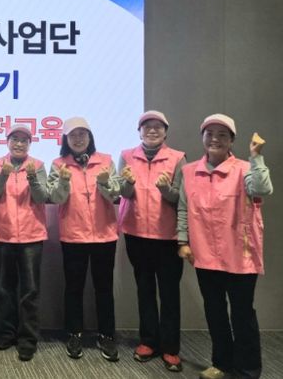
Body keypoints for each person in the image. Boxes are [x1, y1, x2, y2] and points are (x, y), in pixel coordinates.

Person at [177, 114, 272, 379]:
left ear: (231, 140)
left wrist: (256, 157)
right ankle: (222, 363)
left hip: (240, 255)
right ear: (202, 137)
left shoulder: (245, 168)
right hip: (205, 254)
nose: (215, 139)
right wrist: (183, 241)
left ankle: (247, 370)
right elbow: (183, 208)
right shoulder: (189, 171)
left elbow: (262, 189)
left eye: (222, 135)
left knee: (242, 314)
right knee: (215, 312)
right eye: (209, 134)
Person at [47, 116, 120, 362]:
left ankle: (106, 335)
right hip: (73, 235)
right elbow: (56, 198)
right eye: (73, 135)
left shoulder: (106, 161)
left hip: (104, 235)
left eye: (82, 134)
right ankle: (74, 333)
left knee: (104, 288)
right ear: (65, 139)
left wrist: (105, 184)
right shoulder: (58, 164)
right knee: (74, 287)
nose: (78, 139)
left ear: (90, 137)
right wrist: (63, 181)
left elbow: (115, 195)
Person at [118, 111, 186, 372]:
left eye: (158, 127)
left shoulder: (177, 158)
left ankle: (170, 347)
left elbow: (181, 198)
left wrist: (166, 190)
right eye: (147, 127)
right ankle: (148, 341)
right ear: (139, 131)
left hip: (167, 236)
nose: (152, 130)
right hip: (136, 234)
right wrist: (127, 183)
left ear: (165, 132)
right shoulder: (126, 156)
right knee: (144, 290)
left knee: (169, 293)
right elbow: (123, 193)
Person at [0, 124, 49, 362]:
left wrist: (32, 177)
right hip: (3, 234)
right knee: (4, 289)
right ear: (7, 142)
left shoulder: (38, 165)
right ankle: (7, 333)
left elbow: (42, 198)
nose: (19, 144)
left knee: (30, 291)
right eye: (15, 139)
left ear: (30, 144)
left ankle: (28, 339)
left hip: (31, 236)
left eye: (24, 140)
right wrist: (3, 175)